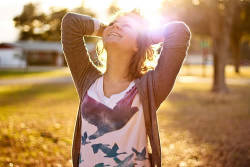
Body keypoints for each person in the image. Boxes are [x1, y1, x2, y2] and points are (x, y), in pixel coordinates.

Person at [61, 10, 191, 167]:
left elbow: (178, 31)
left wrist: (143, 38)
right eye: (113, 23)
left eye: (126, 26)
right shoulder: (86, 79)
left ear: (138, 45)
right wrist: (107, 30)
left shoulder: (150, 87)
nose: (116, 26)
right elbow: (71, 23)